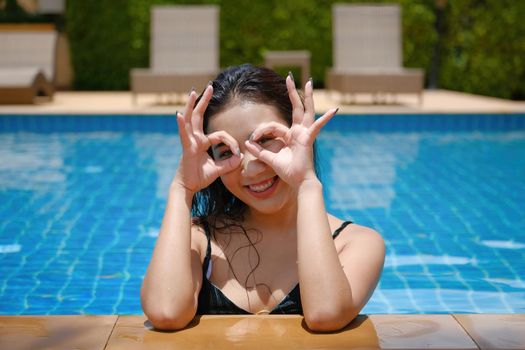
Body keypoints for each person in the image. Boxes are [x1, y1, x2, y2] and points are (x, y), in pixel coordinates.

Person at [141, 64, 385, 332]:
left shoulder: (356, 244)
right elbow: (165, 312)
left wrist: (306, 183)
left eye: (265, 139)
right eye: (225, 151)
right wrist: (181, 188)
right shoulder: (198, 239)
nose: (250, 166)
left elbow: (325, 315)